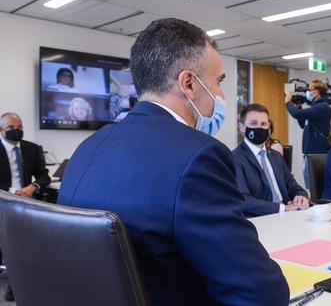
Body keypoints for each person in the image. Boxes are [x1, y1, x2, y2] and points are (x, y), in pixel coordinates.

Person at [57, 18, 288, 305]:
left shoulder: (89, 147)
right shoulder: (199, 155)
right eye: (218, 82)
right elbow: (260, 292)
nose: (220, 95)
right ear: (189, 83)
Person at [0, 112, 52, 301]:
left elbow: (44, 176)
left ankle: (24, 280)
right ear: (1, 131)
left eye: (20, 126)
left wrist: (33, 187)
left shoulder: (32, 148)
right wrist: (15, 192)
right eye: (11, 128)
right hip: (3, 201)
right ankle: (14, 285)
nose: (17, 131)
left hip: (26, 201)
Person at [232, 104, 309, 217]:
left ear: (269, 126)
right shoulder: (235, 158)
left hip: (289, 216)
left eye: (263, 124)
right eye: (253, 123)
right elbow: (244, 200)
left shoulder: (276, 156)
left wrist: (301, 197)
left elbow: (294, 187)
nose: (259, 128)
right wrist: (283, 208)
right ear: (242, 127)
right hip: (261, 219)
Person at [285, 79, 331, 187]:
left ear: (316, 92)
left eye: (309, 90)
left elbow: (296, 114)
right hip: (310, 153)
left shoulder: (323, 107)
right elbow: (304, 124)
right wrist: (298, 106)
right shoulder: (315, 107)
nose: (307, 92)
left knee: (316, 185)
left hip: (318, 154)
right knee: (311, 185)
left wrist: (288, 102)